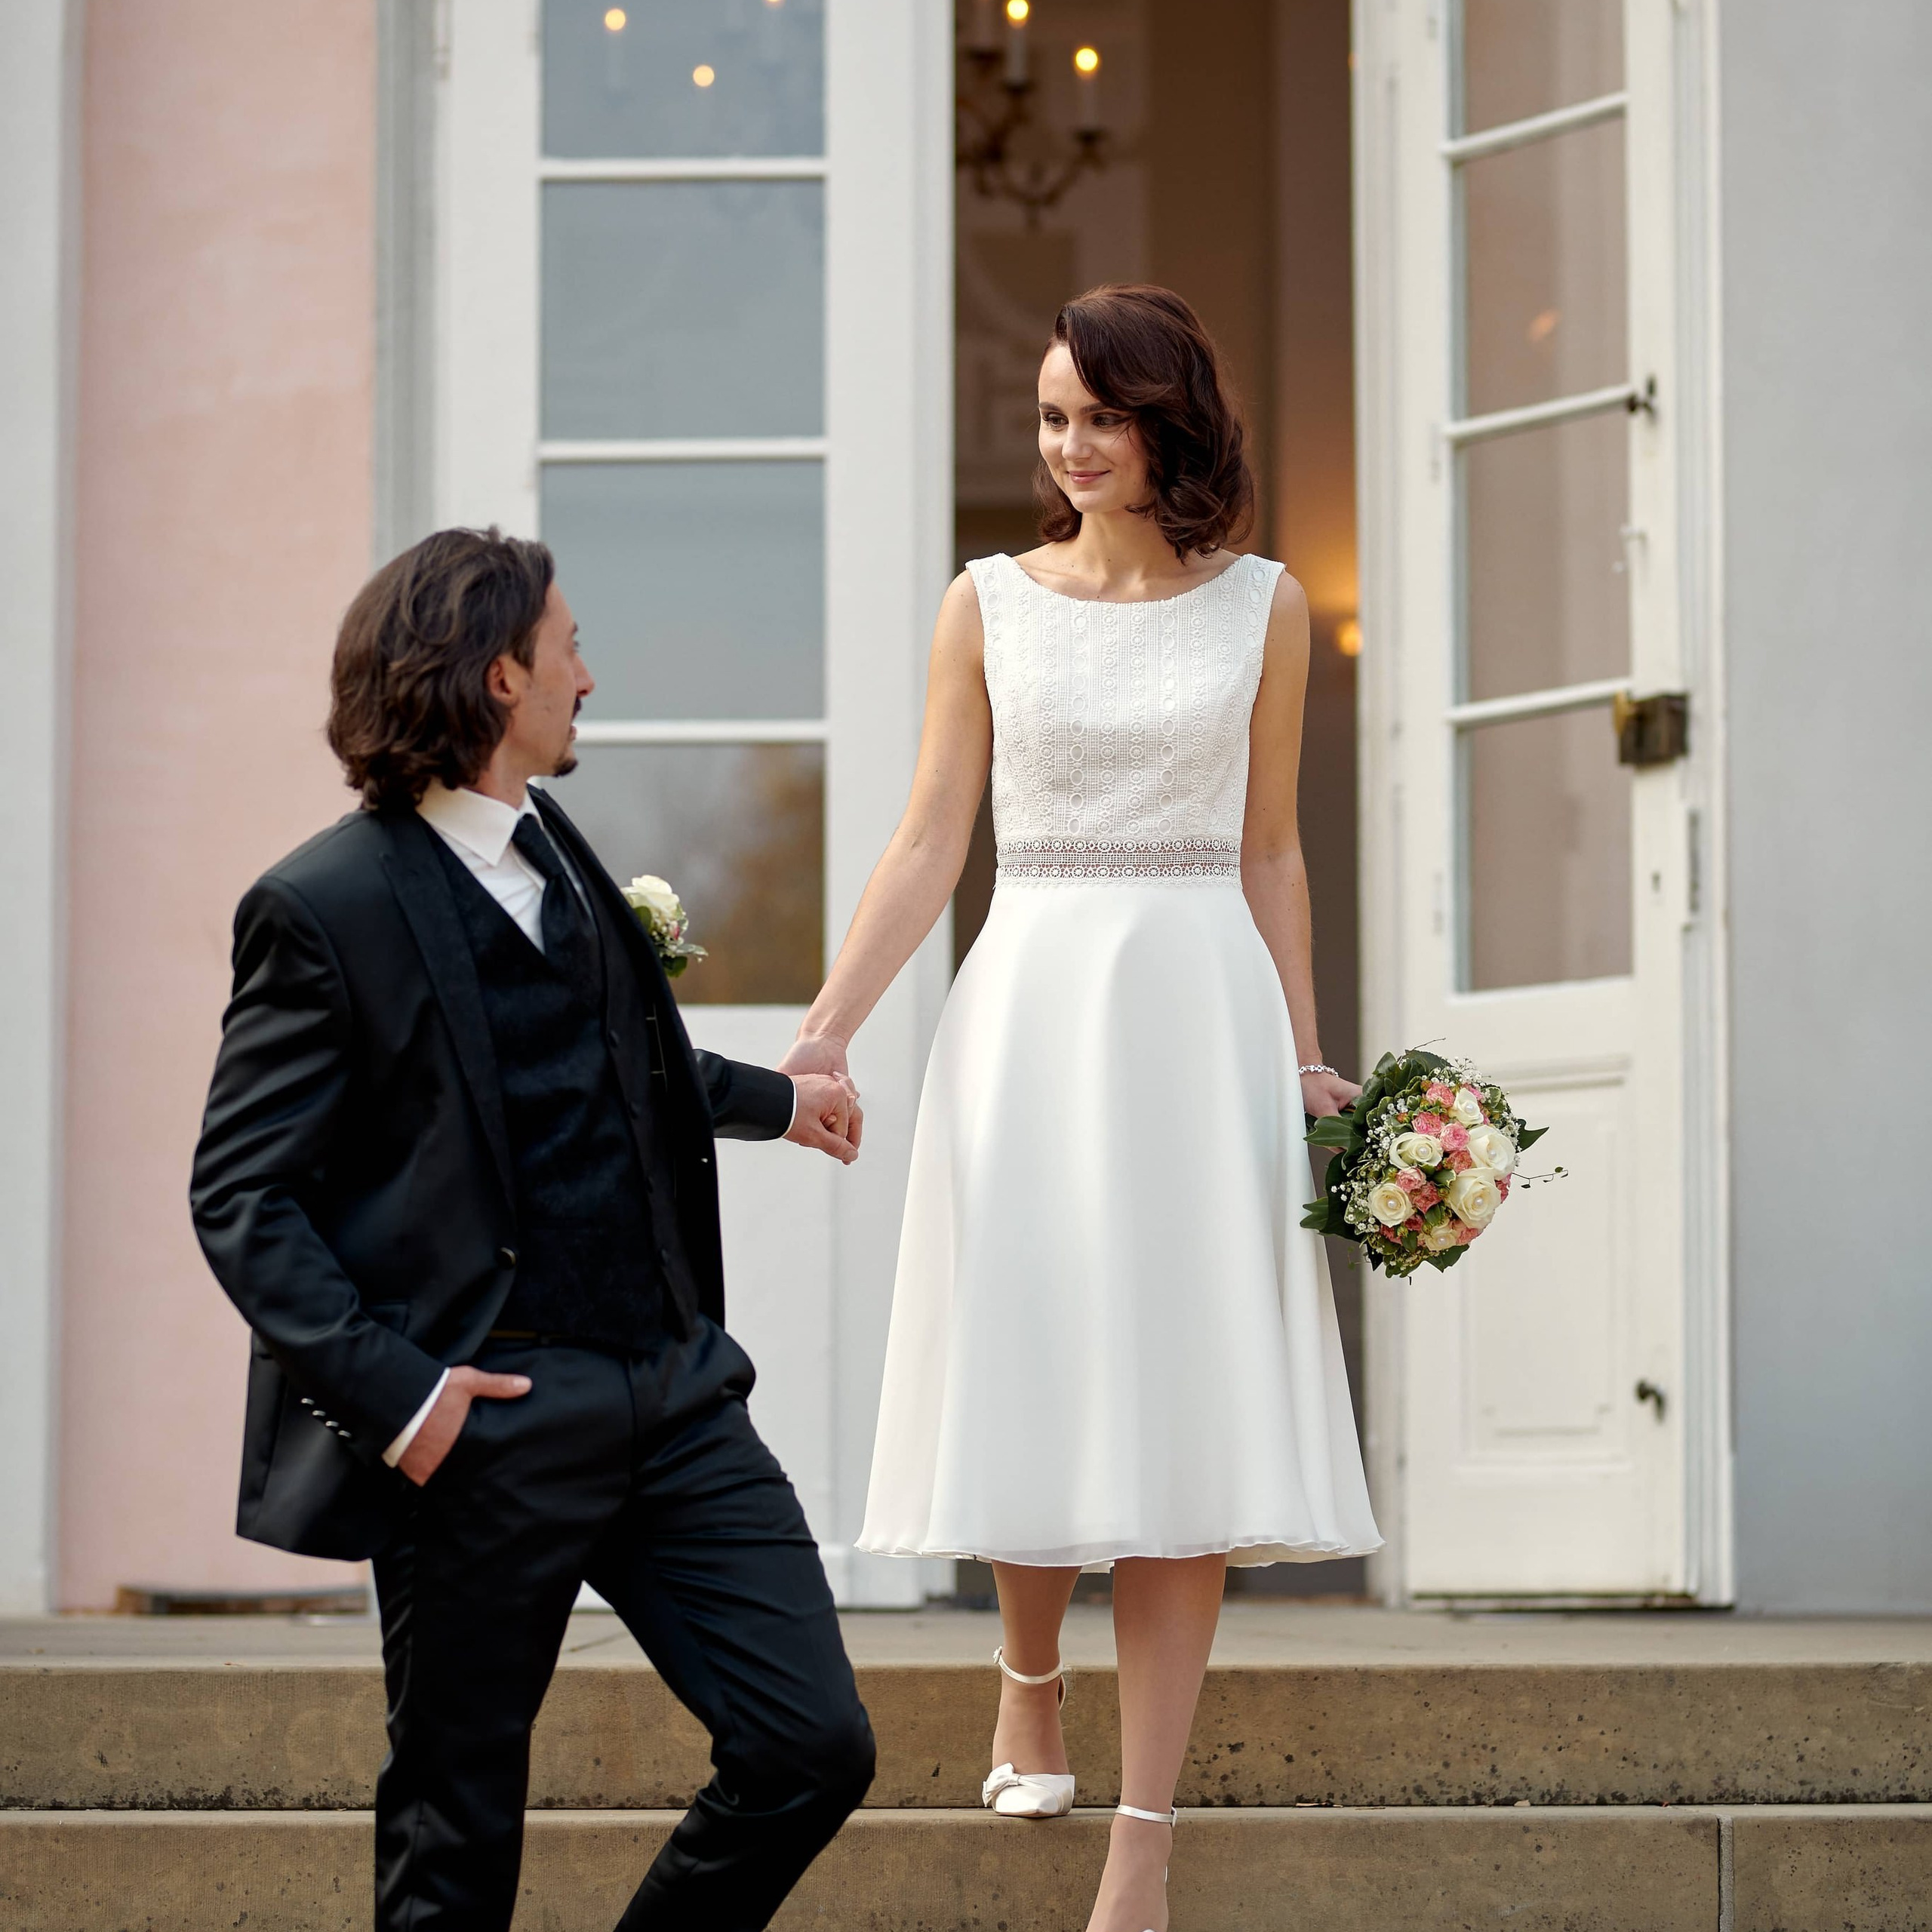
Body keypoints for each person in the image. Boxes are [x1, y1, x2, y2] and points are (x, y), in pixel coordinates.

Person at [780, 285, 1382, 1932]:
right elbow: (925, 840)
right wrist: (823, 1032)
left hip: (1197, 1009)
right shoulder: (986, 603)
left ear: (1166, 419)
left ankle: (1141, 1835)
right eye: (1049, 417)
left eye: (1097, 417)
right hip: (1032, 998)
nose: (1068, 445)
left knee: (1177, 1404)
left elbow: (1271, 847)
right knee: (1035, 1349)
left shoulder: (1266, 609)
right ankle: (1024, 1673)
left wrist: (1305, 1058)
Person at [189, 528, 875, 1932]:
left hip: (675, 1394)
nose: (590, 675)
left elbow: (607, 1051)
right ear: (503, 676)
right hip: (484, 1417)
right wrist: (404, 1396)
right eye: (569, 648)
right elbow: (240, 1197)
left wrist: (775, 1101)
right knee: (457, 1835)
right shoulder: (323, 907)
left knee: (812, 1748)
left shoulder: (552, 843)